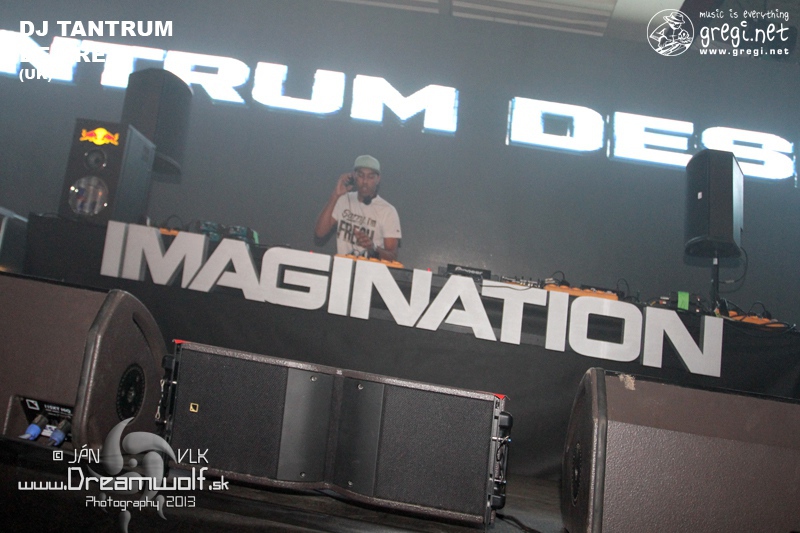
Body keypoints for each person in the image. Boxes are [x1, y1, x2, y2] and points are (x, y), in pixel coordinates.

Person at [315, 155, 401, 262]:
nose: (365, 181)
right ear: (354, 176)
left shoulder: (388, 211)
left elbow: (392, 257)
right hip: (342, 269)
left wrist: (373, 247)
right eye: (361, 175)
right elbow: (320, 233)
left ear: (378, 179)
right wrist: (335, 195)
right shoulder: (343, 199)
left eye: (370, 177)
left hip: (370, 271)